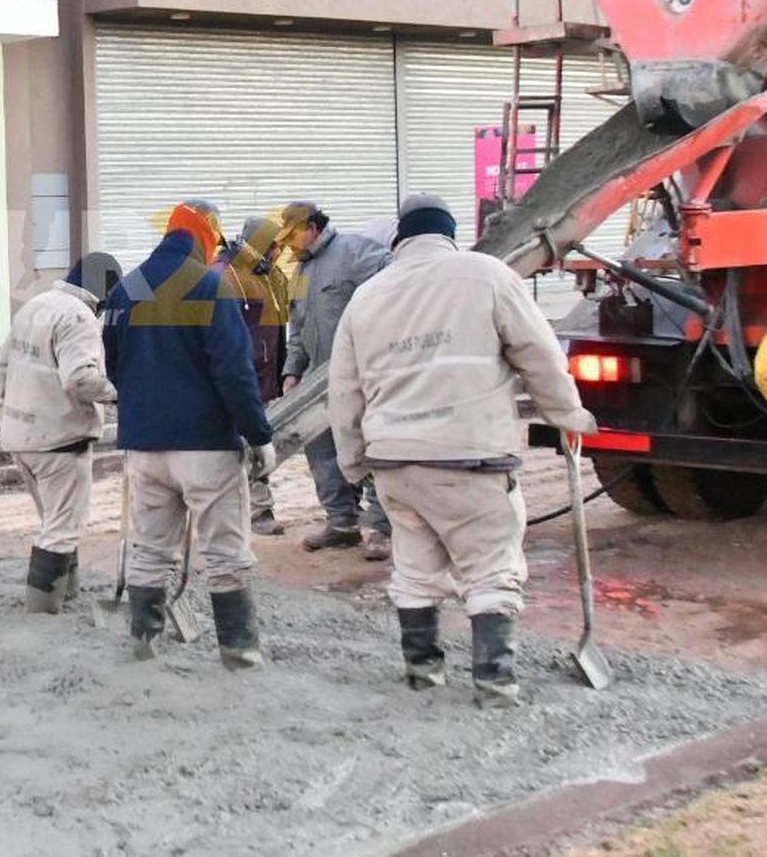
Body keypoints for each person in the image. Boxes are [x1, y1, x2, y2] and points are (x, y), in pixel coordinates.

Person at [328, 193, 597, 707]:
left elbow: (345, 391)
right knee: (491, 568)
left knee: (414, 570)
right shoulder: (487, 275)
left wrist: (354, 460)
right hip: (470, 459)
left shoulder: (367, 295)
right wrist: (568, 416)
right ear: (449, 234)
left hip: (396, 463)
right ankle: (495, 682)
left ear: (400, 239)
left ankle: (422, 673)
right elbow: (538, 354)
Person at [103, 200, 277, 669]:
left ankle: (144, 640)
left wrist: (144, 411)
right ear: (205, 234)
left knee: (151, 547)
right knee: (225, 553)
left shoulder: (128, 287)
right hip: (205, 448)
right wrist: (258, 434)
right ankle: (239, 651)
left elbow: (114, 365)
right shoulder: (209, 286)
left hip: (145, 446)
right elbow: (235, 373)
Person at [0, 252, 123, 613]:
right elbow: (79, 378)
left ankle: (66, 591)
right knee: (62, 526)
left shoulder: (35, 305)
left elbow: (2, 366)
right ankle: (41, 610)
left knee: (53, 520)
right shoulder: (79, 317)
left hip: (21, 437)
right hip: (60, 440)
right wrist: (119, 394)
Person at [277, 200, 393, 557]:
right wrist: (293, 369)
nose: (288, 244)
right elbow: (296, 327)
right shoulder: (300, 272)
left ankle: (380, 528)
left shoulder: (356, 253)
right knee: (322, 448)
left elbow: (394, 287)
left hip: (363, 372)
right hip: (319, 376)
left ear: (312, 226)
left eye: (293, 234)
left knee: (371, 445)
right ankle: (341, 522)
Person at [214, 215, 289, 536]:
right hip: (241, 378)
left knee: (257, 444)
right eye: (275, 247)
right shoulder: (223, 276)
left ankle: (255, 506)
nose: (279, 253)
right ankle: (256, 510)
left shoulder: (268, 275)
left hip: (265, 376)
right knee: (242, 446)